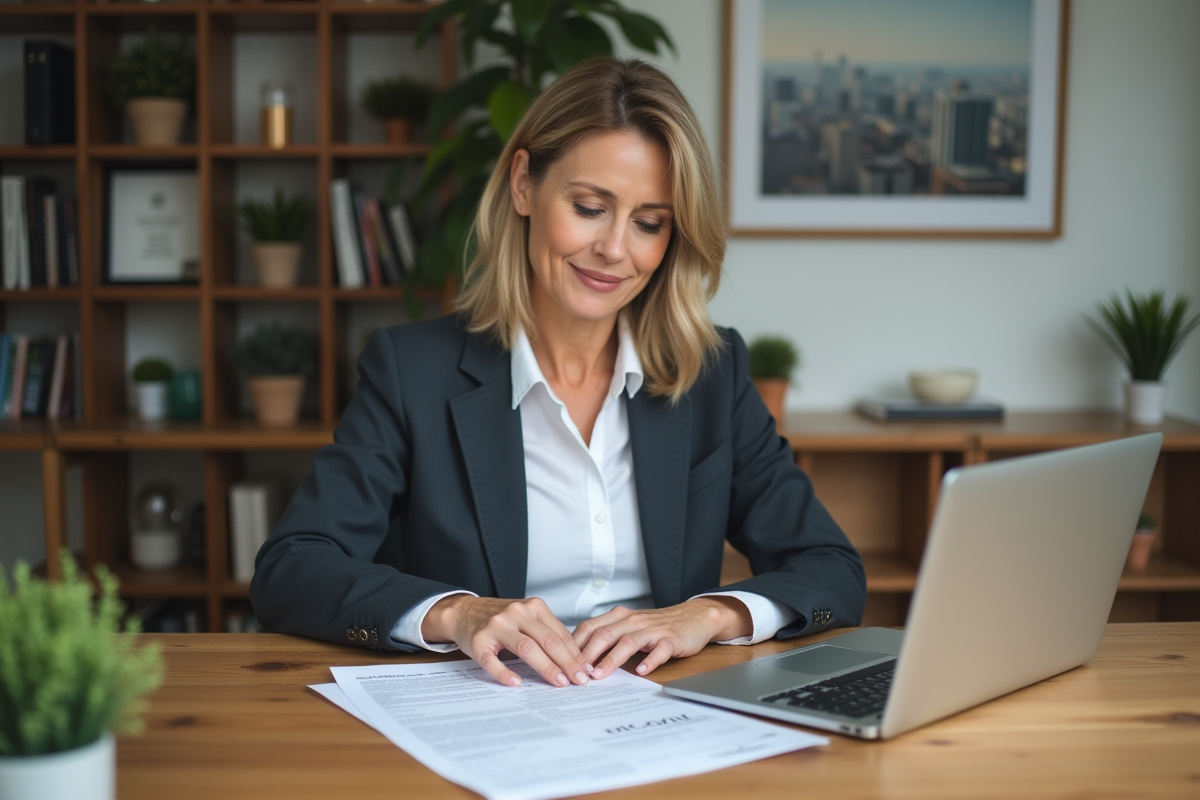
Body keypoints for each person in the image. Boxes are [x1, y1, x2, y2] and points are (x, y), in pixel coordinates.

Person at [250, 57, 865, 690]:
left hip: (663, 714)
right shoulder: (412, 371)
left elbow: (830, 567)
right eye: (589, 207)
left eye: (649, 223)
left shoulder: (711, 372)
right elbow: (292, 567)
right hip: (485, 710)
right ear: (523, 184)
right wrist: (457, 613)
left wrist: (710, 614)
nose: (615, 249)